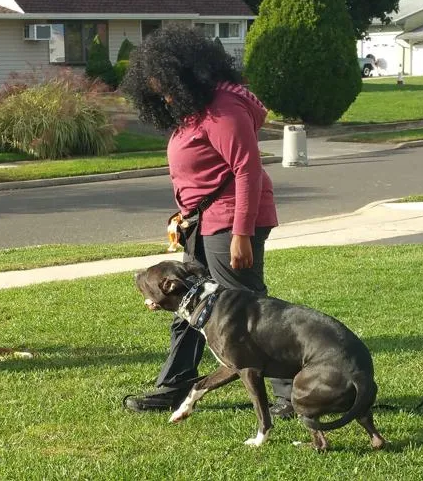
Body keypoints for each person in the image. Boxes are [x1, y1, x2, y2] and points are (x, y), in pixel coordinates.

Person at [119, 25, 294, 418]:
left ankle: (290, 394)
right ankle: (176, 384)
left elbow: (247, 170)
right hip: (202, 221)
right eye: (157, 91)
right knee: (187, 302)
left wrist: (242, 234)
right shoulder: (195, 109)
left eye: (165, 87)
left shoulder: (222, 108)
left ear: (187, 75)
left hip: (231, 222)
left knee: (246, 310)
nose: (163, 96)